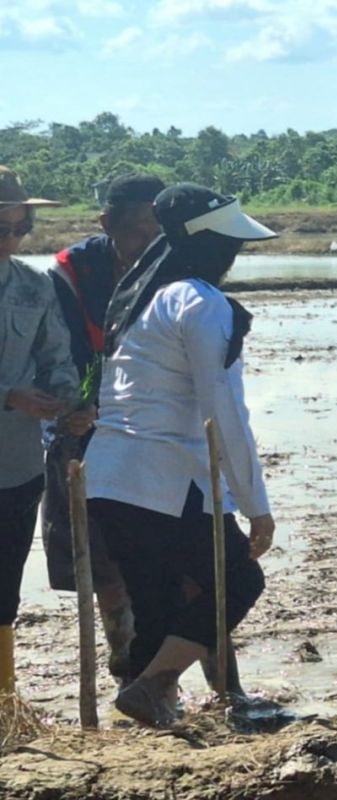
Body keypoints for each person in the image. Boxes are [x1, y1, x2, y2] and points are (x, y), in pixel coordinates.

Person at [86, 183, 276, 726]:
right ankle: (154, 686)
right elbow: (225, 413)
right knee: (239, 581)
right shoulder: (200, 302)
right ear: (211, 247)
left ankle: (150, 718)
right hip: (163, 483)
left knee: (158, 607)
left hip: (109, 481)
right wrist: (253, 502)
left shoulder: (140, 296)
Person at [41, 173, 164, 685]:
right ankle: (127, 669)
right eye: (135, 232)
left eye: (156, 233)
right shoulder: (71, 275)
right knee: (104, 564)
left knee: (169, 561)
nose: (145, 245)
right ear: (106, 224)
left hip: (151, 432)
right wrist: (74, 406)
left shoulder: (172, 269)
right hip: (82, 430)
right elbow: (57, 355)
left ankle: (176, 674)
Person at [0, 165, 87, 694]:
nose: (9, 241)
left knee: (4, 585)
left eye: (17, 230)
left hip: (15, 465)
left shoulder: (33, 286)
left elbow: (56, 359)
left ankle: (4, 701)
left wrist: (69, 405)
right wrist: (8, 395)